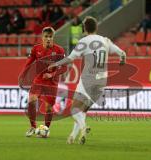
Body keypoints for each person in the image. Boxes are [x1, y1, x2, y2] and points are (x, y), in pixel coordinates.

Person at [48, 16, 126, 144]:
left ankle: (84, 127)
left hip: (88, 79)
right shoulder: (105, 40)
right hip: (102, 81)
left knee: (74, 110)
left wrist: (55, 64)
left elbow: (70, 58)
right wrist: (123, 61)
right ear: (96, 27)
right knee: (82, 110)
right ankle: (73, 137)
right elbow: (122, 53)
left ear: (84, 28)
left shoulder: (84, 41)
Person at [24, 27, 67, 137]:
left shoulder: (59, 50)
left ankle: (46, 129)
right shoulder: (36, 49)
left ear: (53, 38)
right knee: (31, 101)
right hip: (39, 79)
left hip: (51, 82)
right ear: (42, 38)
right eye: (46, 37)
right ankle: (33, 127)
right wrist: (25, 73)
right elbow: (29, 63)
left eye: (50, 37)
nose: (48, 39)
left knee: (48, 107)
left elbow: (64, 68)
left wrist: (51, 74)